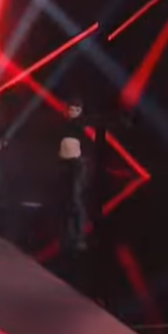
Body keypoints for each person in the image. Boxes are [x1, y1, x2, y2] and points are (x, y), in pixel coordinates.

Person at [59, 97, 89, 251]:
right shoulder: (65, 123)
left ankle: (80, 236)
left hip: (76, 165)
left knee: (75, 199)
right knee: (68, 199)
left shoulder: (80, 122)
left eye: (75, 110)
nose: (72, 112)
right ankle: (69, 234)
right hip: (64, 164)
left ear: (80, 111)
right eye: (70, 109)